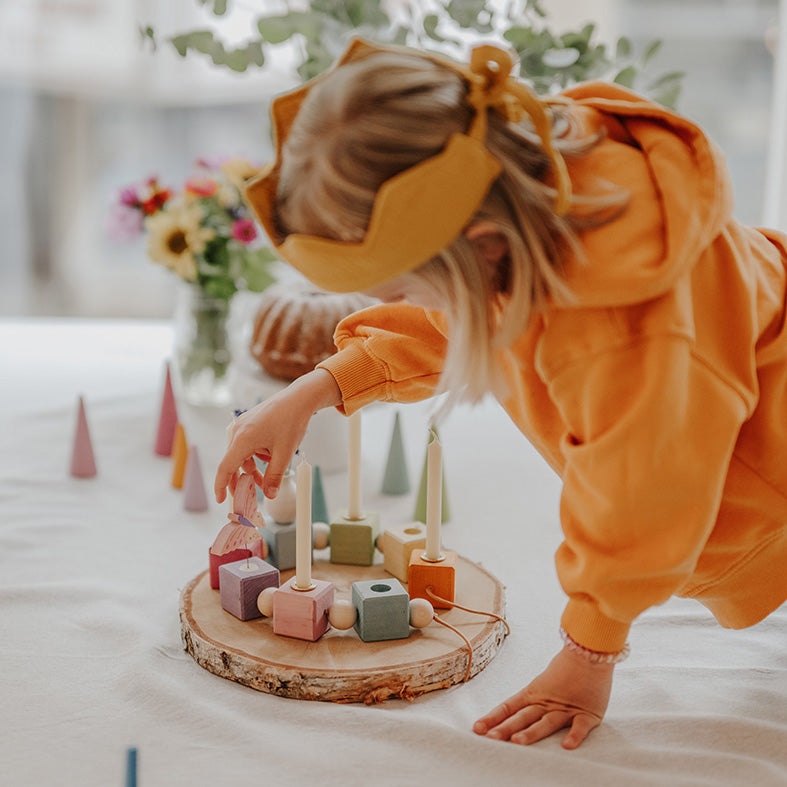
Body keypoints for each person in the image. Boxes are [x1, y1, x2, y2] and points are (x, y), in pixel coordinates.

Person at [214, 38, 787, 749]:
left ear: (481, 245)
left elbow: (643, 502)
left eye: (397, 286)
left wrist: (588, 654)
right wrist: (317, 387)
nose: (399, 302)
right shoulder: (526, 184)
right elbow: (457, 314)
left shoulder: (624, 332)